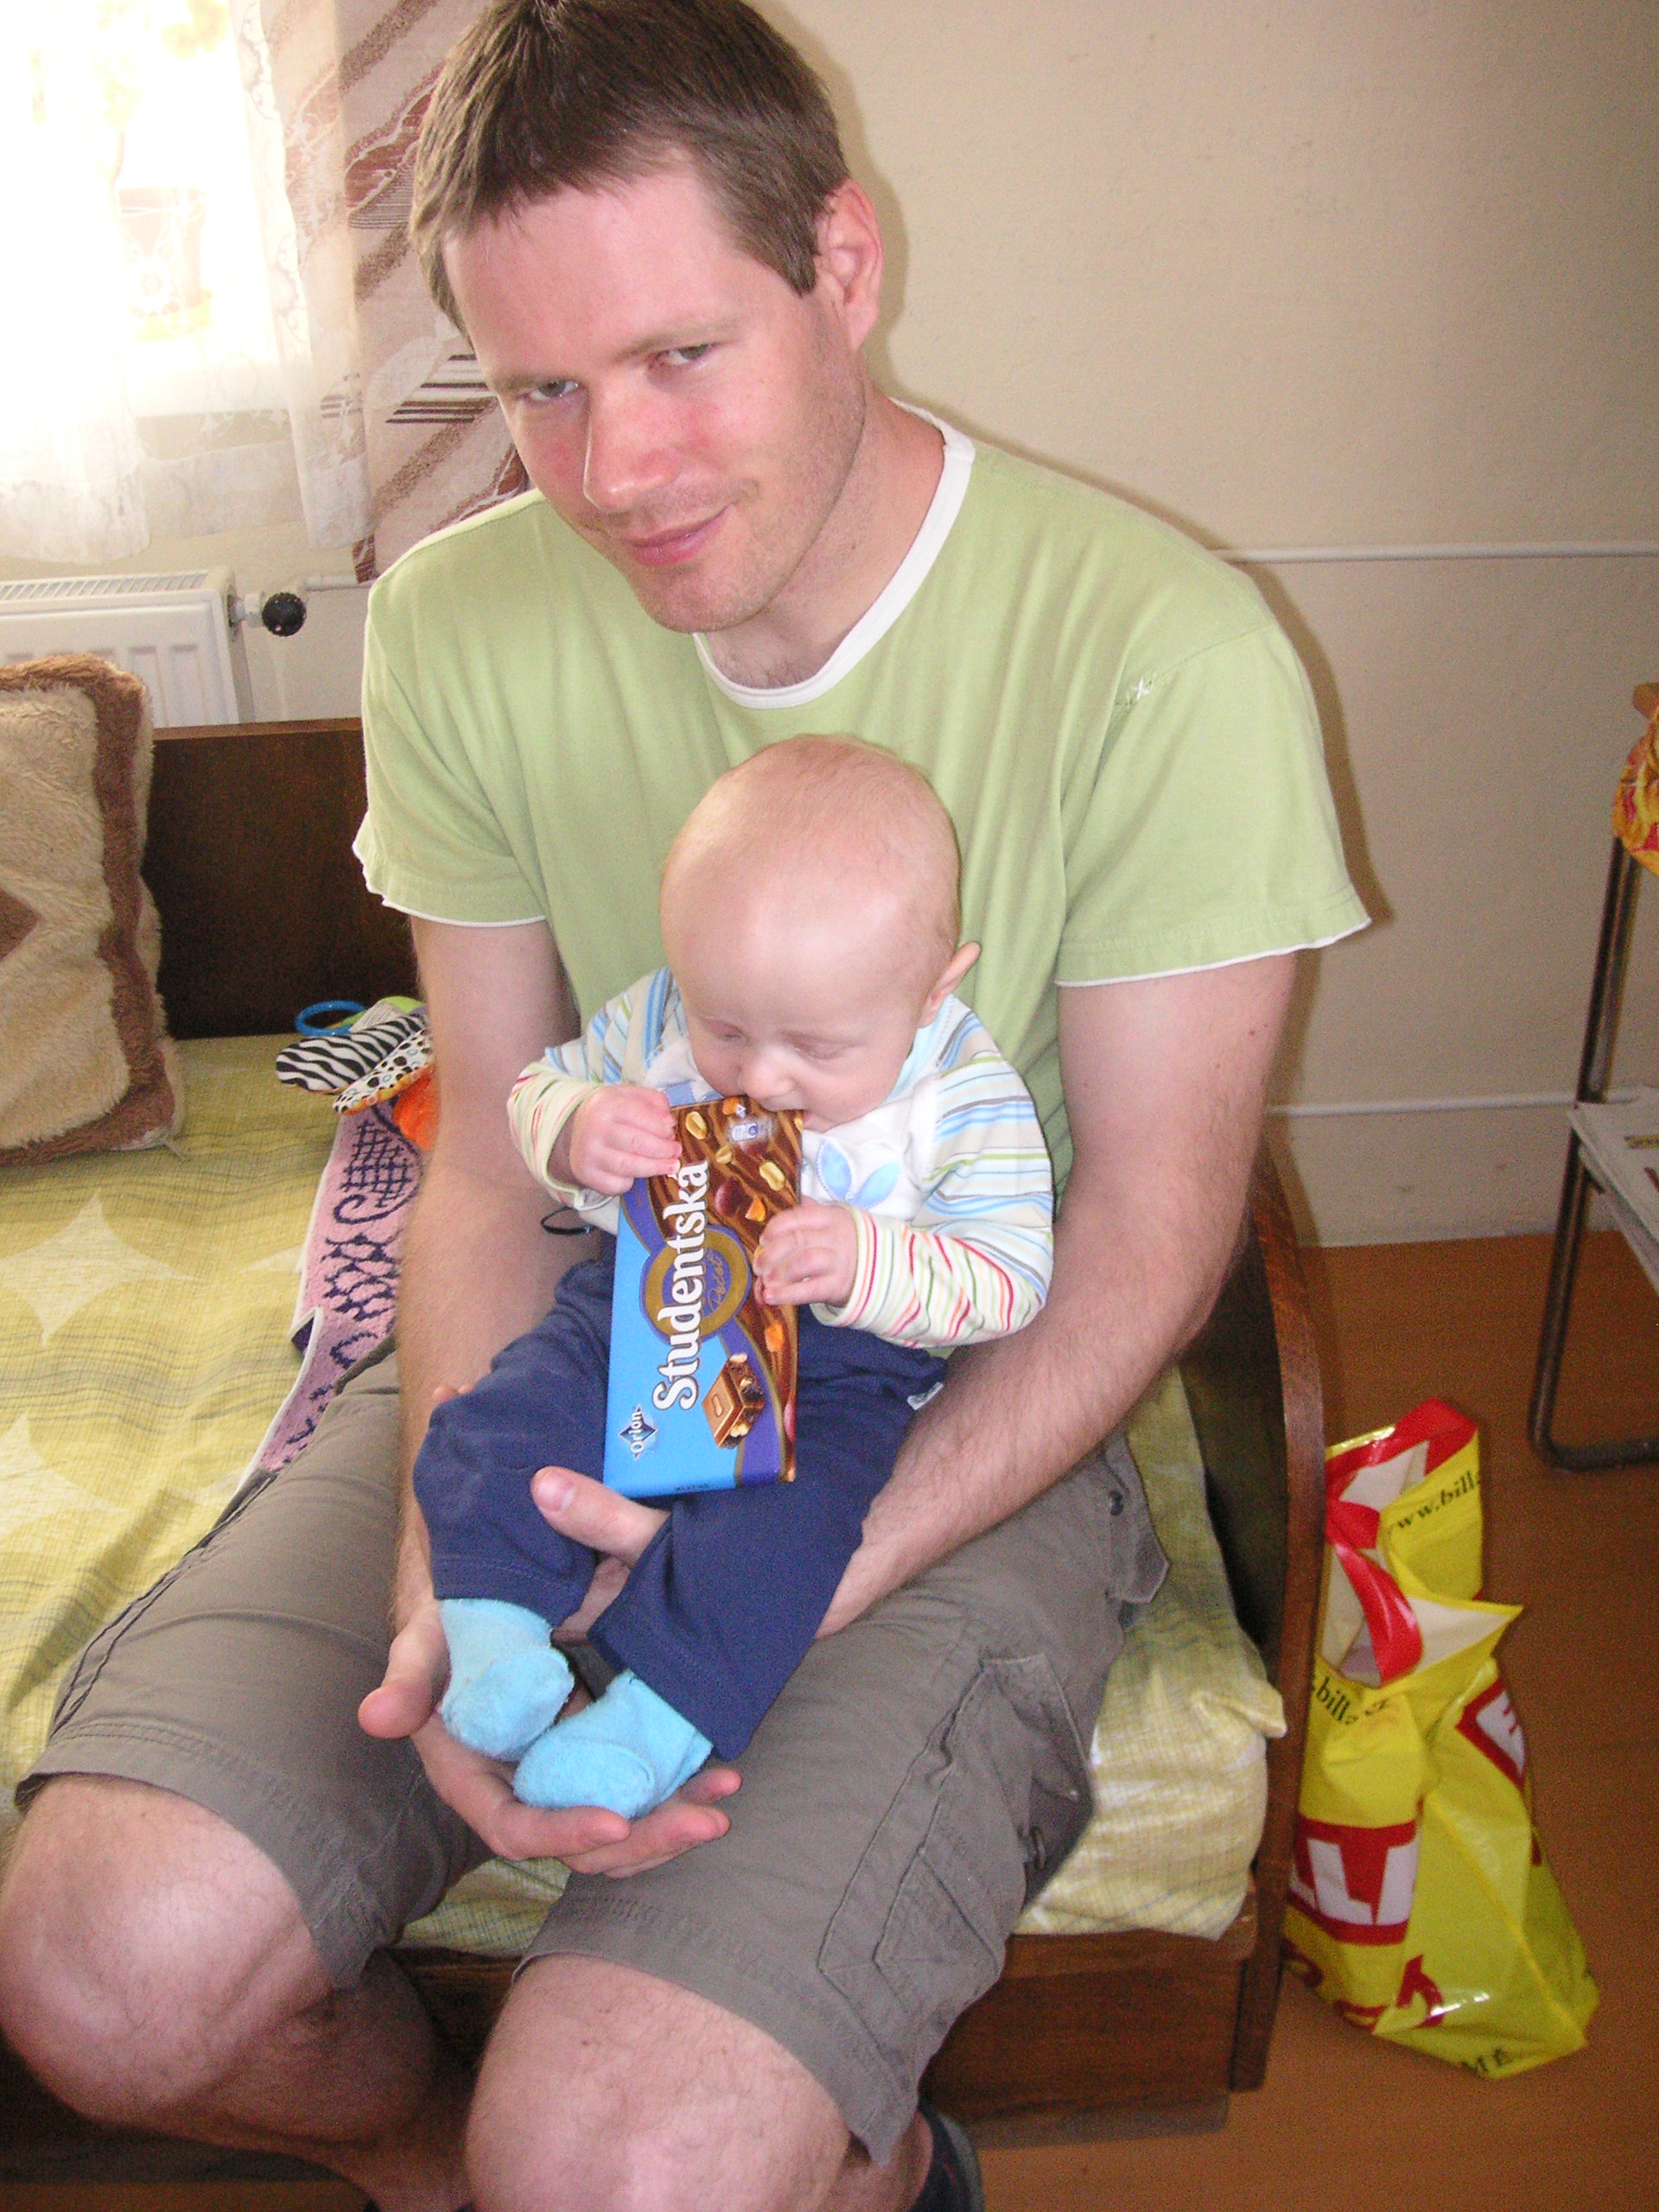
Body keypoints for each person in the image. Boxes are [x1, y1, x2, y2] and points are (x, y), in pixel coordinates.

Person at [0, 3, 1366, 2209]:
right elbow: (484, 1136)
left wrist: (790, 1571)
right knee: (99, 1974)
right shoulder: (457, 625)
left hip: (940, 1384)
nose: (614, 465)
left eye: (678, 357)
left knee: (624, 2165)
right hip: (589, 1314)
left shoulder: (1165, 653)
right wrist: (451, 1571)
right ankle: (441, 2166)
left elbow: (1143, 1238)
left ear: (844, 262)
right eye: (537, 388)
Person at [418, 737, 1054, 1820]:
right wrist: (578, 1129)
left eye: (816, 1047)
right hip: (645, 1297)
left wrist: (868, 1262)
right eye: (725, 1029)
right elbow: (535, 1088)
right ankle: (494, 1635)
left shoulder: (961, 1089)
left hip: (841, 1372)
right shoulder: (661, 1013)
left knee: (785, 1544)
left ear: (932, 990)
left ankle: (651, 1722)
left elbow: (1011, 1273)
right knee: (505, 1413)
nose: (759, 1075)